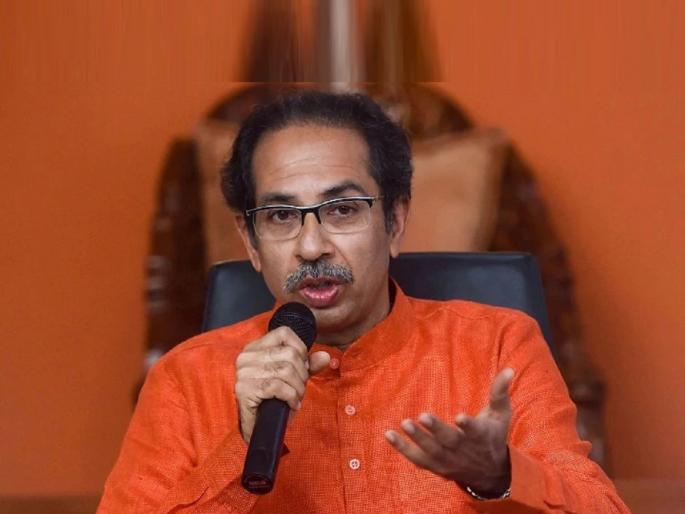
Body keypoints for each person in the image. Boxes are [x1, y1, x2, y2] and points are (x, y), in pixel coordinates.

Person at [98, 91, 630, 513]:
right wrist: (239, 446)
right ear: (250, 243)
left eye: (343, 210)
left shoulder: (497, 347)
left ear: (395, 221)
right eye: (281, 216)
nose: (311, 246)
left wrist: (501, 475)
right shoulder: (185, 380)